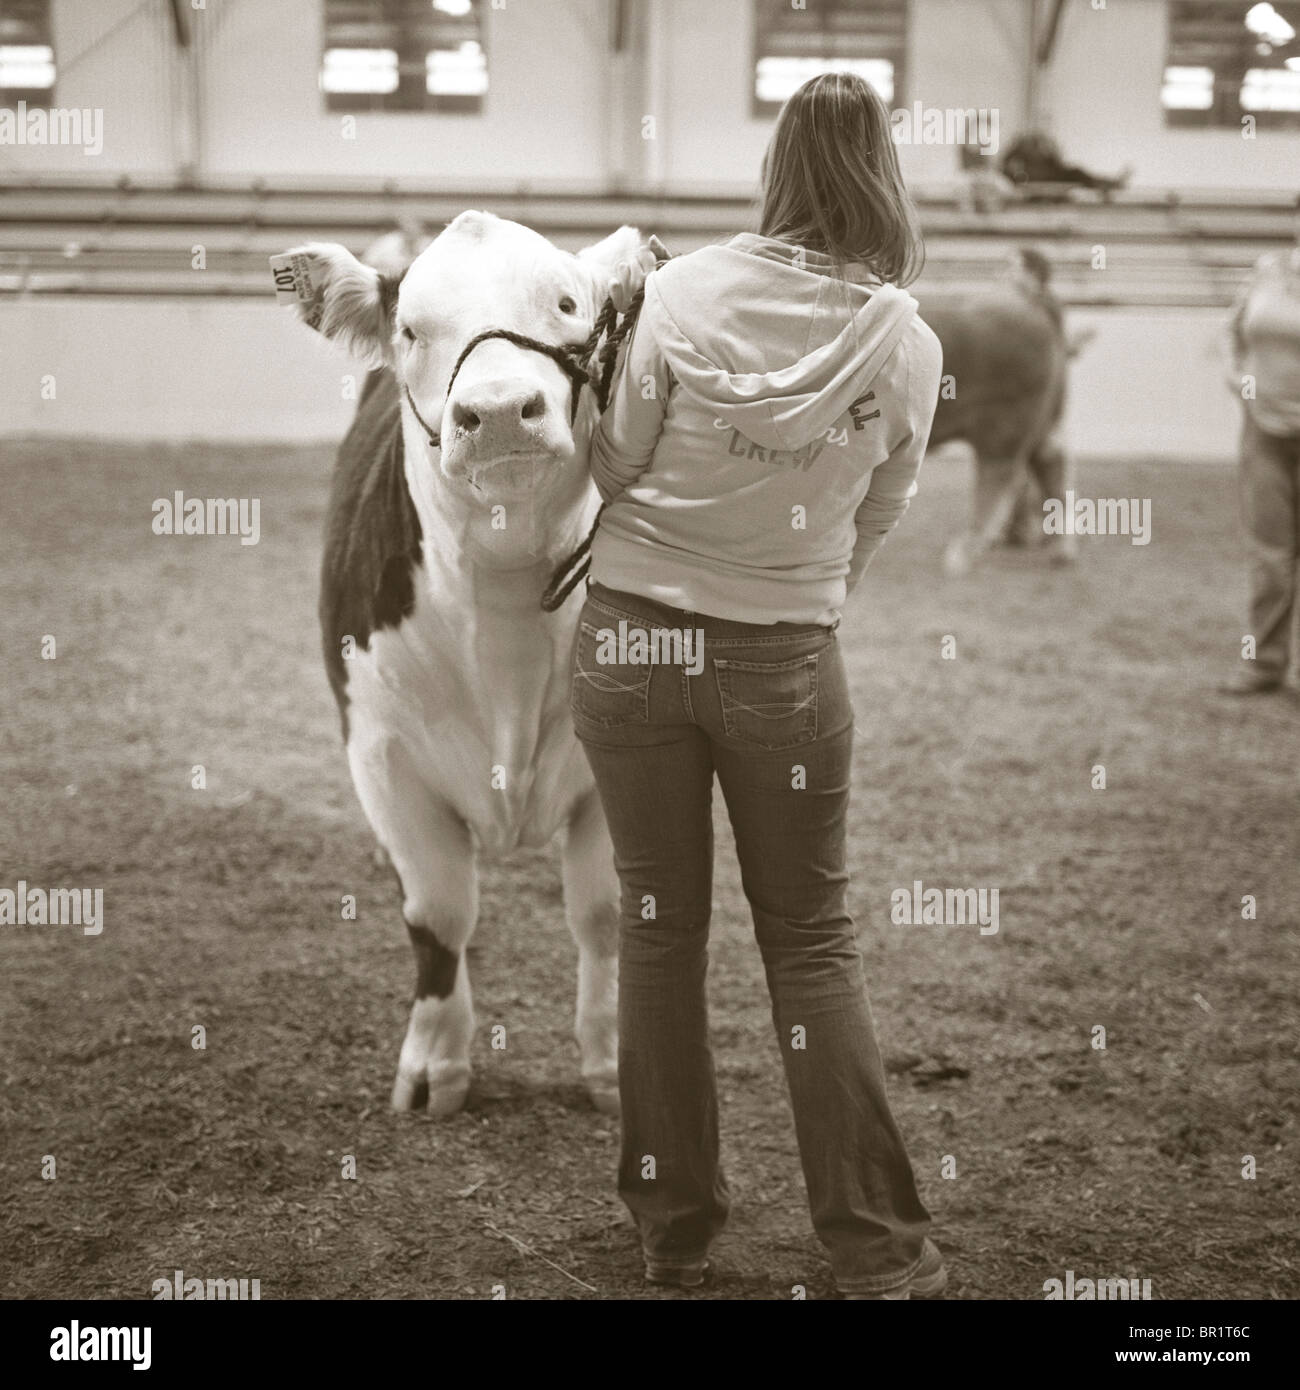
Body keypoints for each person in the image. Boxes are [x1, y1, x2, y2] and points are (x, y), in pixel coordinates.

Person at [570, 72, 946, 1299]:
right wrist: (795, 578)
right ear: (881, 168)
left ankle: (672, 1232)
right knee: (813, 943)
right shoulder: (905, 340)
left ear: (777, 164)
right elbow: (880, 508)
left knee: (657, 933)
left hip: (631, 644)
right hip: (782, 656)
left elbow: (614, 460)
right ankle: (876, 1249)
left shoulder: (678, 296)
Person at [1222, 201, 1300, 698]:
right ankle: (1265, 665)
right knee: (1269, 555)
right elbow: (1233, 333)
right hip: (1263, 431)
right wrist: (1236, 375)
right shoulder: (1266, 271)